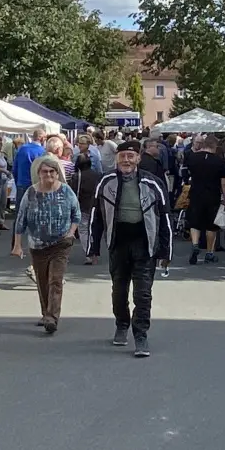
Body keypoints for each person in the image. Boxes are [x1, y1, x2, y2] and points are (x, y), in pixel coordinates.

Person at [87, 141, 173, 358]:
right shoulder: (106, 182)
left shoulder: (152, 183)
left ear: (138, 159)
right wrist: (93, 246)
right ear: (117, 158)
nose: (126, 160)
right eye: (123, 156)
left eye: (130, 156)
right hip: (118, 243)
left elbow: (165, 218)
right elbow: (96, 216)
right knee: (119, 290)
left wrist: (166, 252)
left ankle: (141, 335)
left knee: (143, 294)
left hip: (145, 244)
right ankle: (122, 324)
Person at [12, 155, 81, 334]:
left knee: (55, 281)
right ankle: (46, 313)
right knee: (42, 281)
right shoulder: (31, 193)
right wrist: (17, 245)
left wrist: (71, 233)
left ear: (57, 174)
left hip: (61, 244)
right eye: (45, 172)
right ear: (39, 174)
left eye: (52, 171)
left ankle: (52, 317)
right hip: (38, 245)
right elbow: (20, 220)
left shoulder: (66, 191)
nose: (49, 175)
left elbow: (76, 215)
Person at [185, 136, 225, 264]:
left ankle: (195, 244)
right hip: (213, 195)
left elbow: (189, 174)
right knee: (211, 225)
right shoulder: (219, 161)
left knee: (195, 222)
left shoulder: (192, 157)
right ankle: (209, 252)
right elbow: (224, 183)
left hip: (195, 193)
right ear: (215, 146)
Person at [72, 139, 104, 265]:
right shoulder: (97, 175)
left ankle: (89, 253)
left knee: (84, 230)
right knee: (95, 230)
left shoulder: (77, 177)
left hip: (83, 207)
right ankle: (95, 251)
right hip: (97, 206)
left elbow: (75, 193)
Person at [13, 129, 47, 199]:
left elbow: (15, 168)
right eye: (45, 138)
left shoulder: (22, 149)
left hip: (21, 183)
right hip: (35, 184)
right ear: (41, 138)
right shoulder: (42, 151)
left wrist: (17, 182)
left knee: (20, 208)